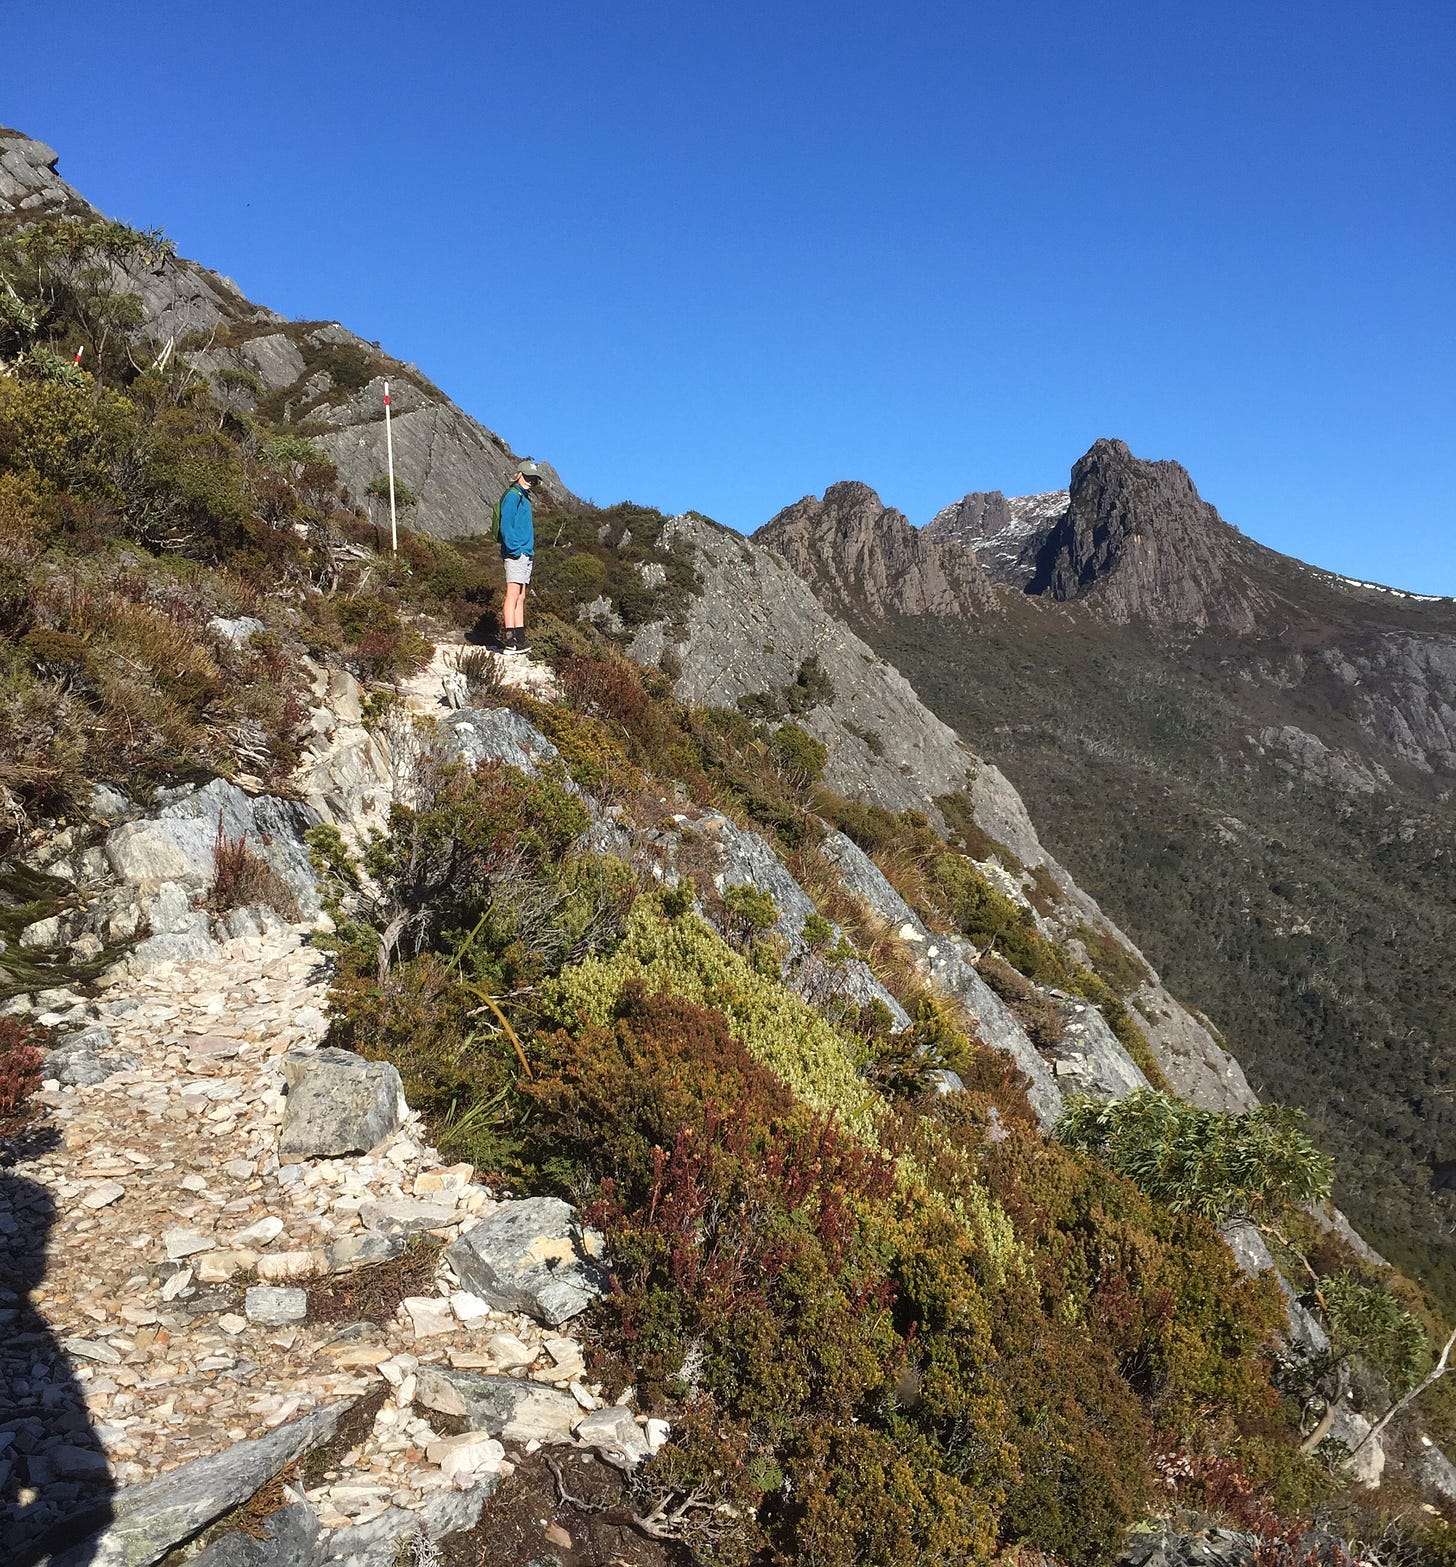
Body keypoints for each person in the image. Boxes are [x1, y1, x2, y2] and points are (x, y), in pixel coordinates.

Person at [497, 461, 541, 655]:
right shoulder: (513, 496)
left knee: (521, 596)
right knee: (513, 594)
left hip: (525, 552)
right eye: (527, 476)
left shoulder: (523, 497)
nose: (530, 481)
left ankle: (520, 638)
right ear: (519, 475)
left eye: (533, 479)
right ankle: (510, 641)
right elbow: (505, 524)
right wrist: (514, 548)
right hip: (517, 552)